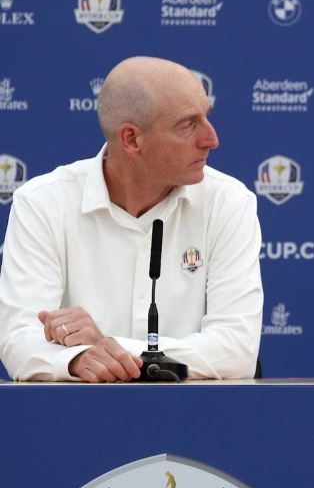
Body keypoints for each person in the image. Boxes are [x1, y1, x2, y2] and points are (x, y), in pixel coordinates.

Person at [0, 56, 263, 382]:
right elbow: (19, 339)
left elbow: (236, 351)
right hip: (79, 421)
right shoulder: (42, 204)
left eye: (206, 117)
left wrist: (105, 347)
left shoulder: (228, 202)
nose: (211, 139)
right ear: (131, 139)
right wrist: (79, 360)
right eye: (188, 124)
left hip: (196, 421)